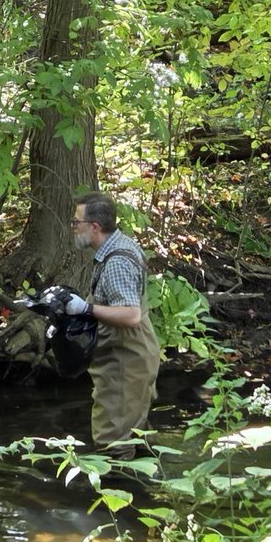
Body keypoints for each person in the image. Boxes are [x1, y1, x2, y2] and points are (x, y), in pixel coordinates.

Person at [63, 191, 161, 459]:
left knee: (112, 445)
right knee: (137, 439)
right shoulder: (122, 245)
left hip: (125, 363)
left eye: (76, 222)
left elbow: (130, 315)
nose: (73, 227)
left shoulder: (117, 261)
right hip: (134, 357)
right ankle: (151, 496)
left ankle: (116, 497)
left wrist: (86, 308)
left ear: (94, 227)